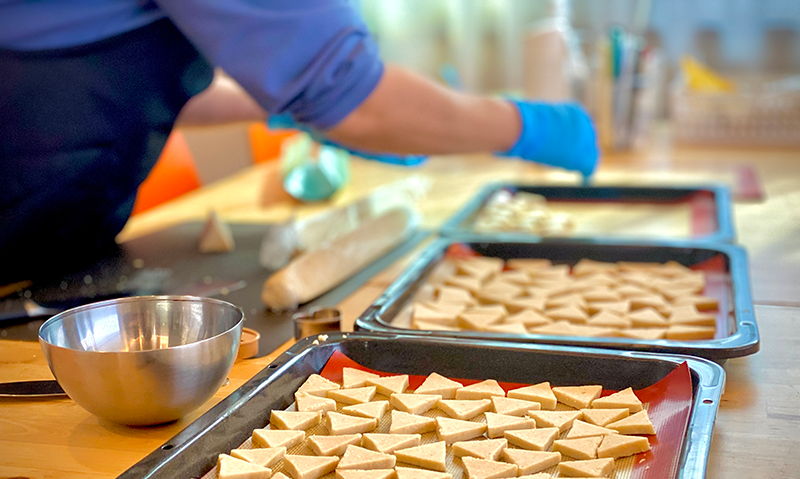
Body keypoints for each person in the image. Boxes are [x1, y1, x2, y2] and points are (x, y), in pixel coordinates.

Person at [0, 0, 598, 284]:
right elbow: (363, 103)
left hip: (51, 250)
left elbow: (123, 88)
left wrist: (289, 111)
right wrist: (528, 126)